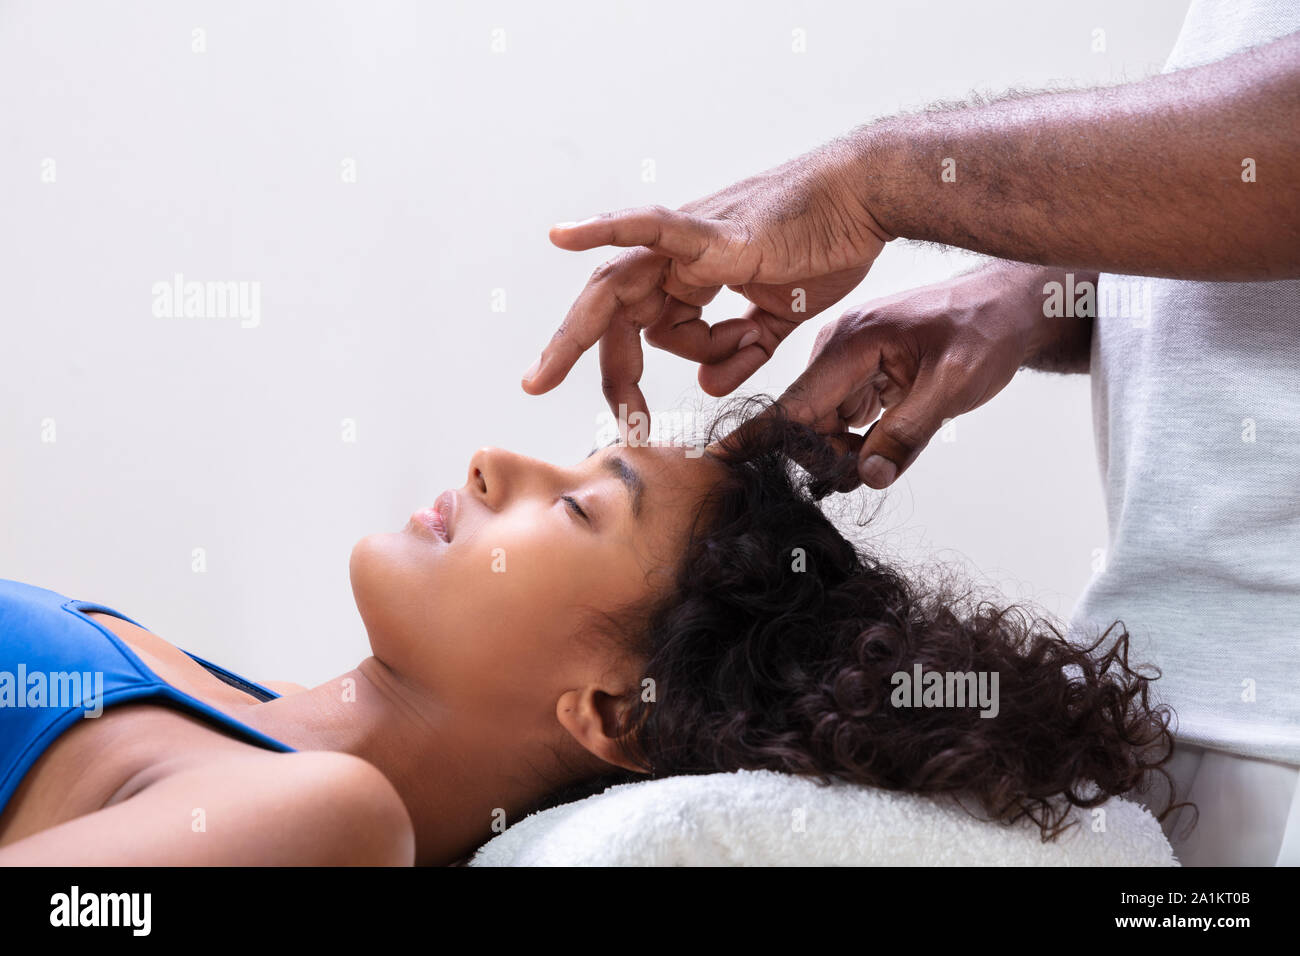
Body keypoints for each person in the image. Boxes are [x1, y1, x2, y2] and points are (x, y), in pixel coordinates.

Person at [522, 3, 1300, 865]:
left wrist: (871, 184)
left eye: (578, 508)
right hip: (1182, 737)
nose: (488, 463)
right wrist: (1033, 294)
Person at [0, 402, 1183, 865]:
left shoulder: (321, 813)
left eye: (572, 505)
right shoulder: (239, 703)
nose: (486, 458)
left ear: (615, 711)